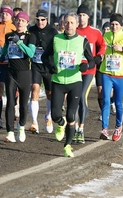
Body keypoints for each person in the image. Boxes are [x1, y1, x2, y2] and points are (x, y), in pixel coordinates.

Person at [41, 12, 94, 157]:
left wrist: (86, 66)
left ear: (77, 25)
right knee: (56, 114)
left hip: (74, 82)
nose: (69, 25)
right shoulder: (56, 39)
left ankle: (68, 146)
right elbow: (44, 56)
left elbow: (92, 61)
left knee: (71, 115)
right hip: (58, 81)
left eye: (72, 23)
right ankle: (60, 123)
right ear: (63, 24)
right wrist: (50, 66)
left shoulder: (82, 41)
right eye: (67, 22)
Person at [99, 13, 123, 141]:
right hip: (106, 73)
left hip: (120, 75)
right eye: (112, 24)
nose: (114, 26)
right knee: (105, 100)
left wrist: (122, 49)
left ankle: (118, 127)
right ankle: (104, 129)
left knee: (118, 103)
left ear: (121, 26)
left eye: (116, 24)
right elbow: (100, 50)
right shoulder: (105, 36)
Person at [0, 12, 36, 143]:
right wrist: (2, 55)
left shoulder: (30, 36)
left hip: (25, 73)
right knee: (10, 101)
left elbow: (30, 53)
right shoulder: (9, 35)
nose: (20, 22)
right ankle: (10, 132)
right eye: (18, 20)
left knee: (23, 104)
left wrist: (19, 42)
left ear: (27, 23)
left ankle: (21, 126)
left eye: (22, 20)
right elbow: (4, 50)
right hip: (11, 72)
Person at [74, 4, 106, 144]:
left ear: (88, 17)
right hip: (73, 69)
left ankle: (81, 128)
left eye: (84, 15)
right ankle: (74, 127)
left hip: (89, 70)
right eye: (79, 15)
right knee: (73, 99)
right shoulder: (72, 30)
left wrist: (98, 58)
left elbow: (102, 46)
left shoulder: (95, 32)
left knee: (81, 96)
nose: (81, 18)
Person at [28, 9, 57, 134]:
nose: (40, 22)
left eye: (43, 20)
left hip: (48, 66)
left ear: (47, 20)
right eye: (38, 20)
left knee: (50, 94)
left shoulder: (53, 31)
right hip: (36, 65)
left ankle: (48, 116)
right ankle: (34, 121)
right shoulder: (31, 30)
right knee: (35, 89)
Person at [0, 7, 16, 129]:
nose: (4, 15)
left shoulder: (14, 27)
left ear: (11, 16)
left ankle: (15, 109)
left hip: (11, 63)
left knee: (12, 90)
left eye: (7, 14)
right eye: (3, 14)